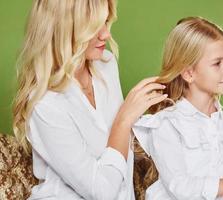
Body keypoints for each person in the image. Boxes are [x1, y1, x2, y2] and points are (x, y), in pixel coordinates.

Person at [12, 0, 167, 199]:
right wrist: (123, 121)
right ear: (63, 29)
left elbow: (123, 163)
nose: (106, 34)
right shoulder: (44, 104)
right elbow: (101, 192)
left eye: (105, 22)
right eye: (94, 27)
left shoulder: (105, 64)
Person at [132, 17, 223, 200]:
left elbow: (221, 184)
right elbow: (179, 186)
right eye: (217, 63)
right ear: (188, 73)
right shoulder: (167, 123)